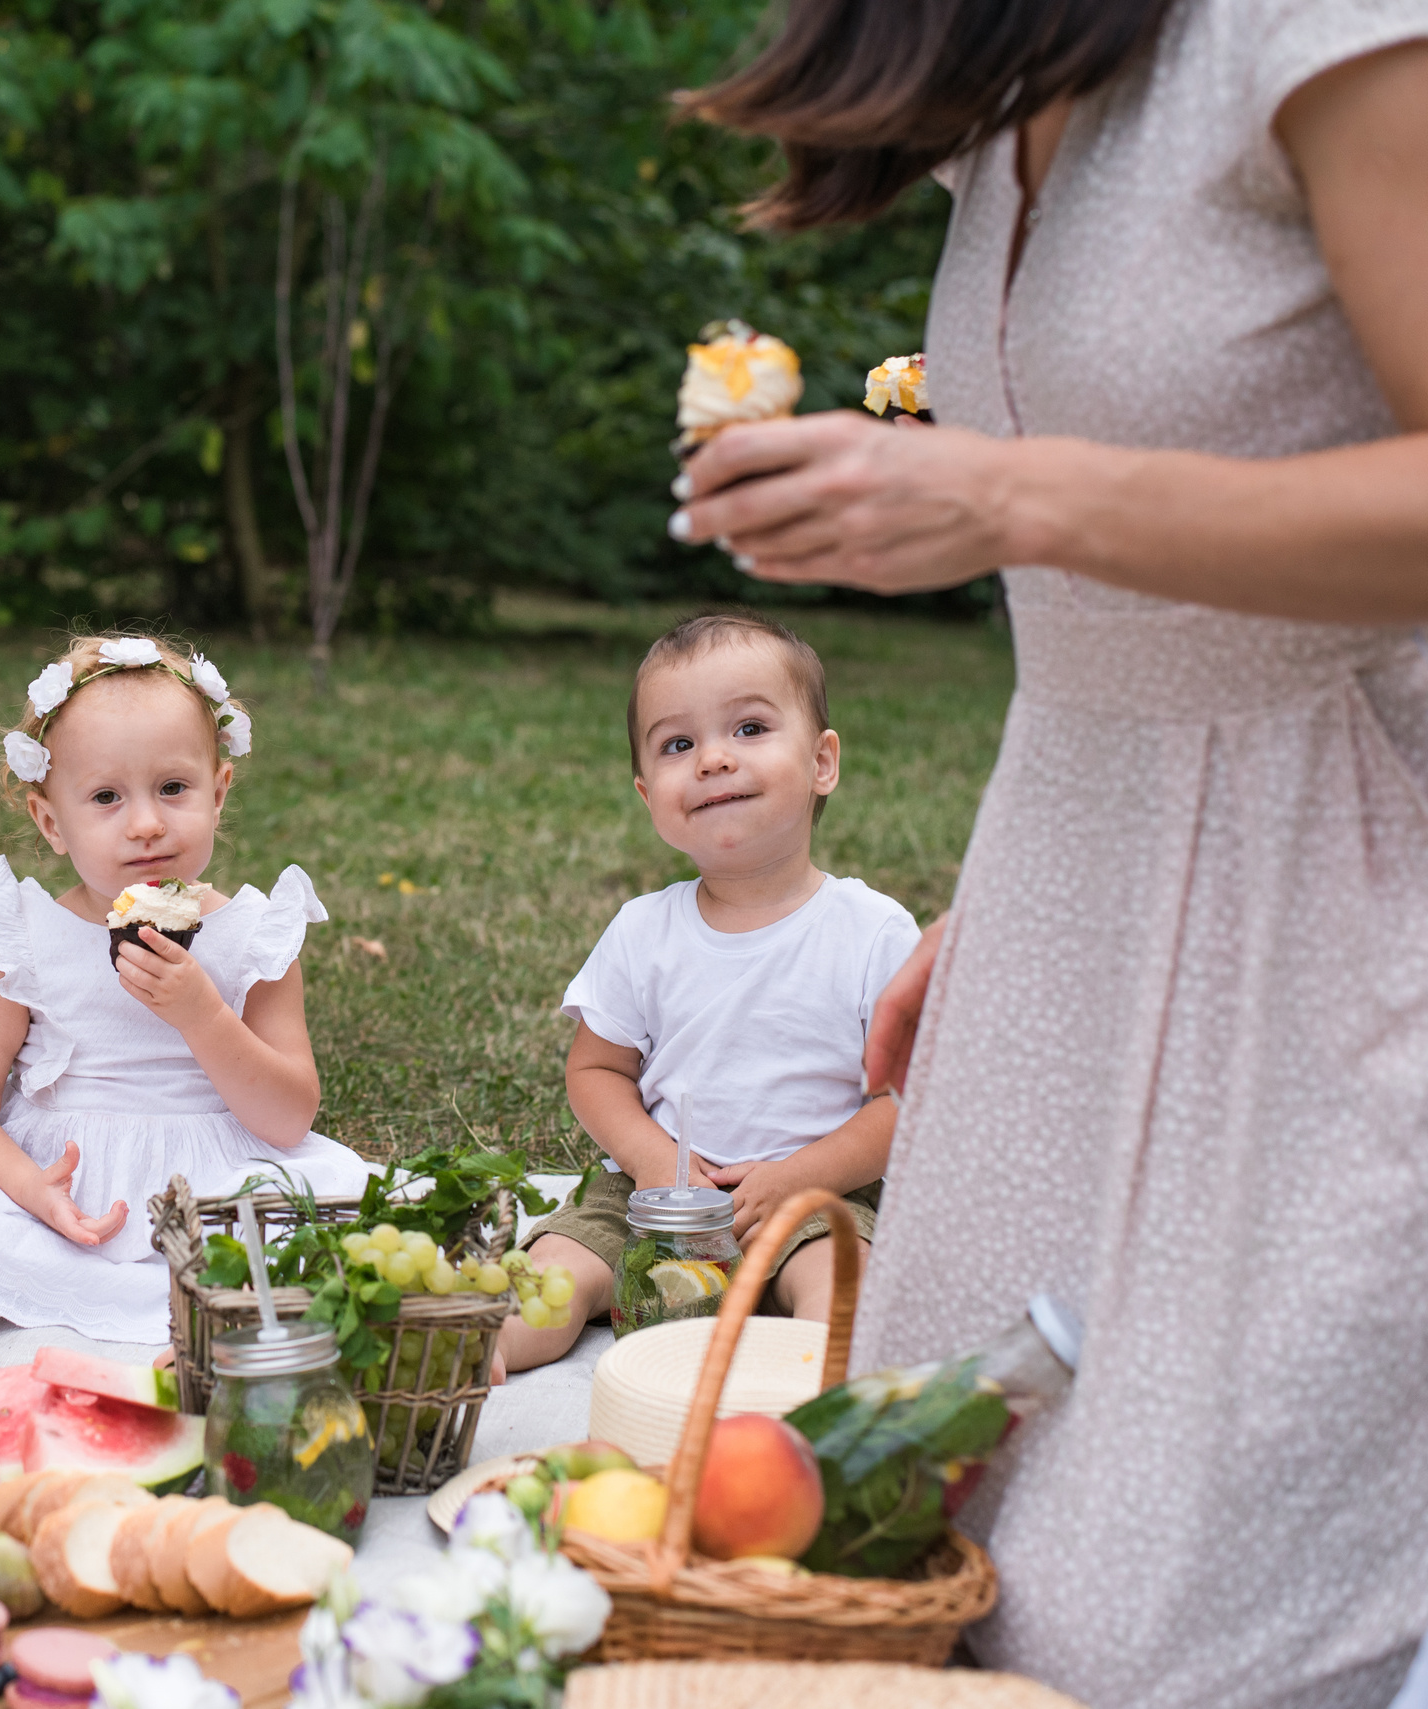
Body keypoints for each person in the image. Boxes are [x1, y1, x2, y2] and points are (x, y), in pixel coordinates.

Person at [665, 2, 1428, 1704]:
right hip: (1078, 870)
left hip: (1347, 885)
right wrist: (1003, 905)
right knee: (945, 1545)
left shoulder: (1322, 26)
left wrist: (1011, 499)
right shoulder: (1017, 80)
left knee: (1188, 1630)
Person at [0, 634, 377, 1380]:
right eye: (105, 797)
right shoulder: (28, 936)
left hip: (215, 1199)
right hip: (62, 1200)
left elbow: (290, 1114)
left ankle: (217, 1329)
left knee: (355, 1211)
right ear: (51, 822)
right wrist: (33, 1189)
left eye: (173, 788)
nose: (147, 823)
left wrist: (203, 1015)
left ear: (219, 791)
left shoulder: (252, 936)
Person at [497, 614, 917, 1374]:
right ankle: (465, 1370)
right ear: (647, 793)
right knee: (549, 1277)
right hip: (650, 1195)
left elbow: (906, 1101)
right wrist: (658, 1164)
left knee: (839, 1283)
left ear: (823, 761)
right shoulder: (642, 930)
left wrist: (801, 1176)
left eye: (750, 727)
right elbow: (597, 1071)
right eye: (677, 745)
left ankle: (807, 1398)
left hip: (813, 1194)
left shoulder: (872, 930)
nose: (714, 759)